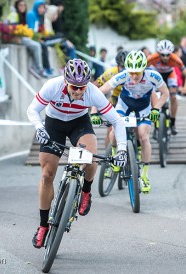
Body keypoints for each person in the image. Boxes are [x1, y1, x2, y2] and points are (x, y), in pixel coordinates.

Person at [27, 59, 128, 248]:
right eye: (75, 87)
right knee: (47, 175)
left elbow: (117, 121)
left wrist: (122, 149)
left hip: (79, 124)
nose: (79, 91)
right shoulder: (52, 86)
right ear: (66, 81)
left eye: (82, 87)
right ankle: (43, 226)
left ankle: (86, 191)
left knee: (91, 156)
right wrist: (39, 128)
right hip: (54, 124)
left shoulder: (92, 92)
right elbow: (32, 109)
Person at [99, 50, 169, 194]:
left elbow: (165, 93)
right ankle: (114, 154)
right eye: (131, 72)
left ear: (144, 68)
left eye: (138, 72)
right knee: (113, 132)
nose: (134, 76)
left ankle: (144, 175)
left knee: (143, 136)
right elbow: (101, 91)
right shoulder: (123, 75)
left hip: (144, 106)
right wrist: (94, 110)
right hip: (124, 104)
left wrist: (156, 109)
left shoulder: (153, 76)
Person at [147, 39, 186, 135]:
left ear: (171, 53)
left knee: (173, 97)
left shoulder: (175, 59)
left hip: (170, 74)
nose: (165, 57)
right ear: (158, 53)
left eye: (168, 55)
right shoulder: (152, 57)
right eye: (162, 55)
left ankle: (173, 123)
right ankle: (156, 124)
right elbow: (140, 69)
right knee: (153, 96)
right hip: (157, 75)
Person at [90, 50, 128, 149]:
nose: (124, 69)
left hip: (130, 100)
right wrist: (93, 109)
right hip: (116, 98)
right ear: (117, 65)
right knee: (111, 128)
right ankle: (109, 154)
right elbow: (95, 88)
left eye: (126, 66)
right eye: (121, 66)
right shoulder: (111, 72)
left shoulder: (133, 73)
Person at [5, 0, 49, 78]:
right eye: (20, 5)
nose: (22, 7)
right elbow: (8, 27)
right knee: (37, 45)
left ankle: (39, 68)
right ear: (16, 6)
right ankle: (38, 69)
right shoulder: (14, 14)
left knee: (39, 44)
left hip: (22, 37)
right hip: (15, 38)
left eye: (24, 5)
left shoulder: (24, 15)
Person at [26, 0, 55, 77]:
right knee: (42, 45)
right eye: (40, 7)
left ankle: (47, 68)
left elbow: (38, 30)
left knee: (45, 44)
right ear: (36, 7)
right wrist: (37, 37)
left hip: (35, 37)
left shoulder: (39, 17)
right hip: (29, 37)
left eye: (43, 8)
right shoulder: (31, 14)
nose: (42, 9)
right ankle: (41, 69)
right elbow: (30, 29)